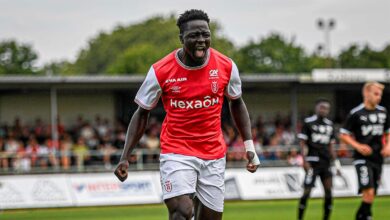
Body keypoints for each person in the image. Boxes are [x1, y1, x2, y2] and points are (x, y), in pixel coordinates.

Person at [114, 9, 260, 220]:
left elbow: (236, 102)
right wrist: (125, 157)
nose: (201, 40)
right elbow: (142, 112)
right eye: (194, 36)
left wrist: (249, 147)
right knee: (181, 212)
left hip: (213, 154)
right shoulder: (160, 70)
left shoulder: (226, 66)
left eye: (205, 34)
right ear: (181, 38)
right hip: (177, 152)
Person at [340, 82, 390, 220]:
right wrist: (358, 146)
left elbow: (387, 132)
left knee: (372, 194)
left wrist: (388, 146)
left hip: (377, 158)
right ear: (366, 94)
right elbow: (343, 134)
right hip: (362, 158)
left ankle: (362, 216)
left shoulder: (383, 112)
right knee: (368, 191)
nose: (379, 97)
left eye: (380, 94)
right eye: (375, 94)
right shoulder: (356, 113)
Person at [297, 98, 341, 220]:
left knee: (329, 192)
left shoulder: (330, 124)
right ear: (316, 108)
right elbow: (302, 143)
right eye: (322, 107)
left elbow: (331, 146)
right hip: (312, 162)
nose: (324, 110)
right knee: (307, 191)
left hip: (326, 163)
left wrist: (337, 164)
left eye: (326, 108)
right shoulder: (308, 123)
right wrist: (304, 161)